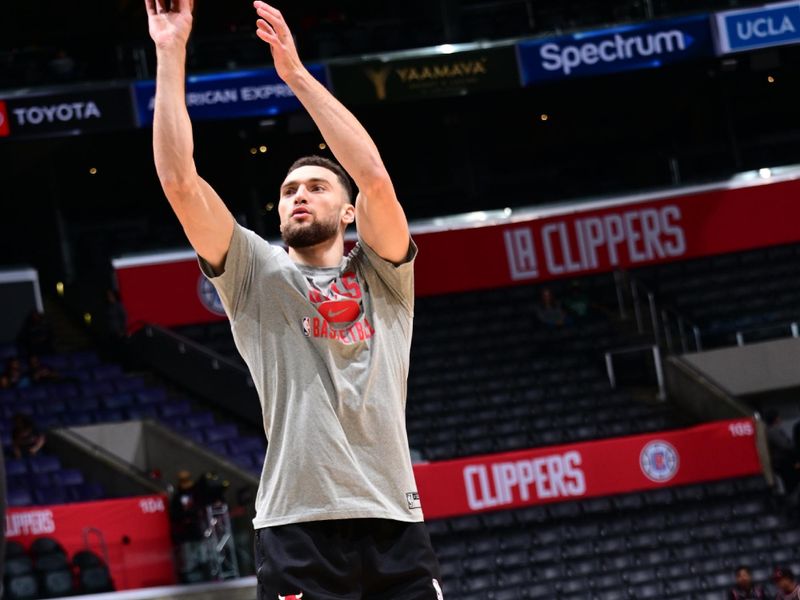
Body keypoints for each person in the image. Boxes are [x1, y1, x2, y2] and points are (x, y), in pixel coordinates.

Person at [145, 1, 443, 598]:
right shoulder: (255, 273)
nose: (298, 196)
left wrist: (296, 75)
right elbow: (179, 182)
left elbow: (377, 177)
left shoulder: (384, 274)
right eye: (287, 191)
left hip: (395, 522)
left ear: (348, 210)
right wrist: (171, 51)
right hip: (296, 529)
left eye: (316, 186)